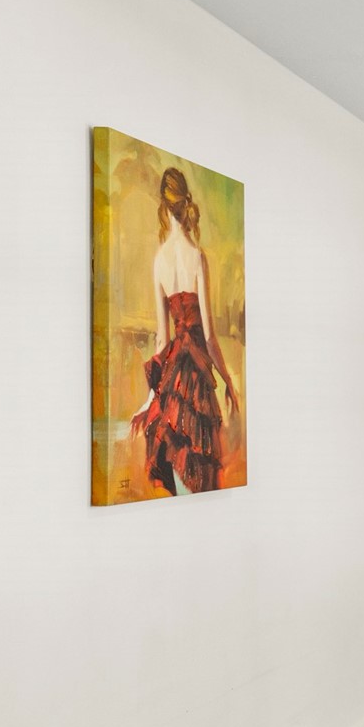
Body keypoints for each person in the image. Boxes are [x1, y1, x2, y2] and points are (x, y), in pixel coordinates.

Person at [131, 167, 239, 494]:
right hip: (195, 380)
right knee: (201, 469)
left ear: (164, 207)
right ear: (185, 204)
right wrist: (228, 381)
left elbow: (162, 340)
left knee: (176, 457)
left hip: (173, 380)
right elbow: (207, 336)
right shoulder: (197, 257)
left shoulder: (159, 261)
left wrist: (151, 397)